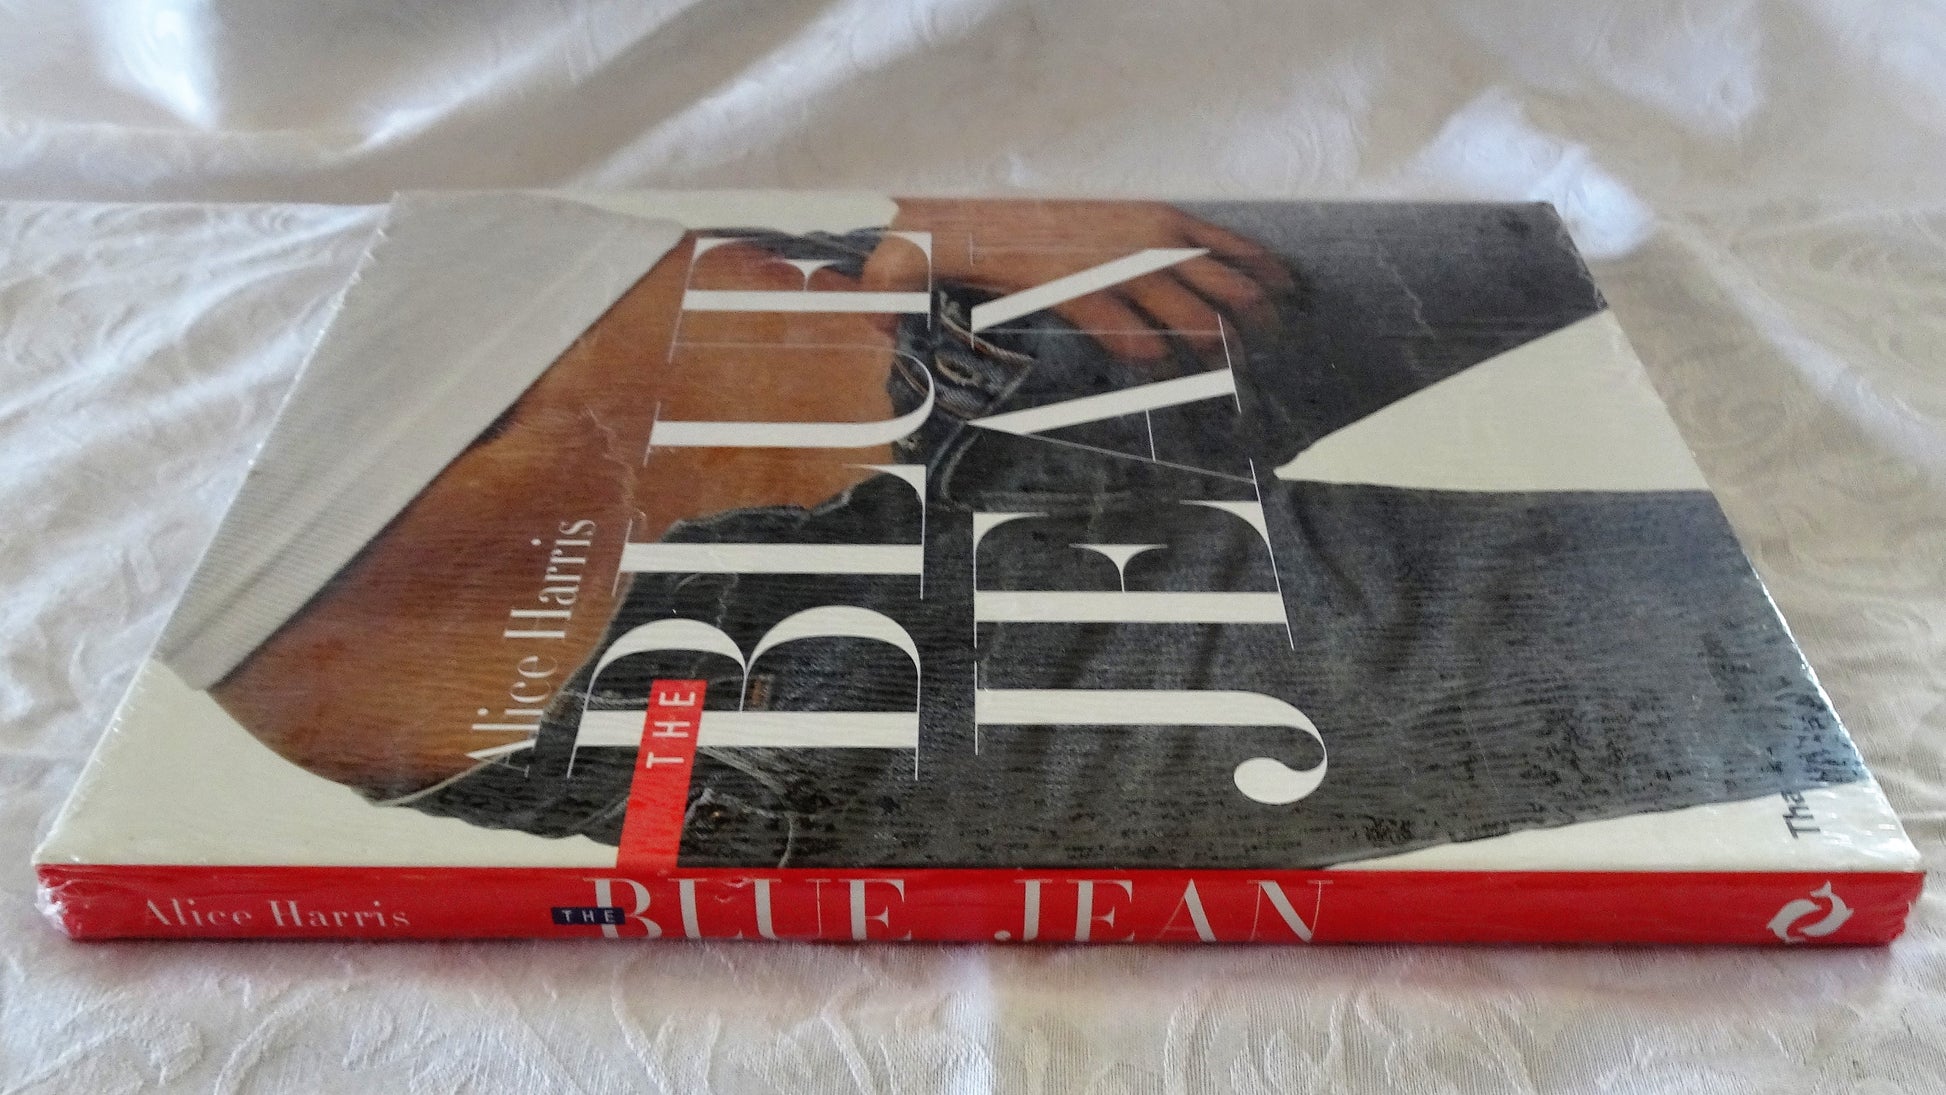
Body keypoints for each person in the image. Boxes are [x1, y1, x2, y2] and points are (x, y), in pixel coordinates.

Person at [175, 198, 1866, 869]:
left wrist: (856, 216)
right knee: (1731, 654)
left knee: (1643, 246)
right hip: (781, 680)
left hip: (875, 293)